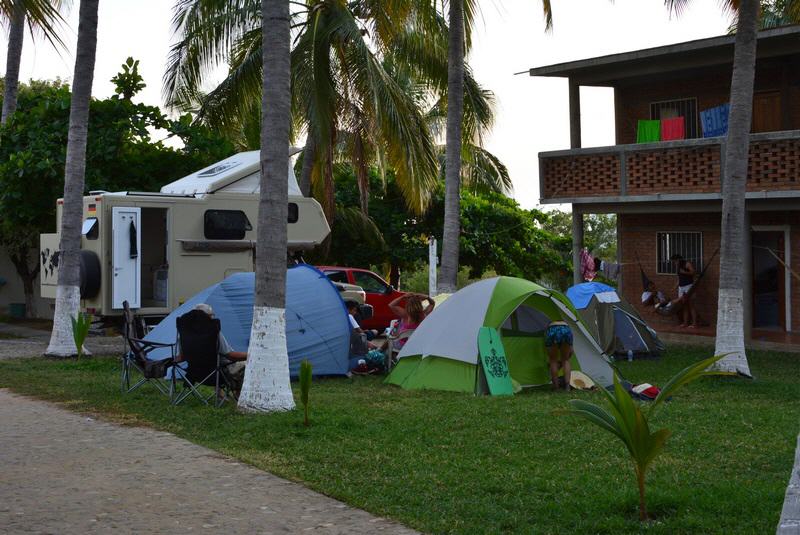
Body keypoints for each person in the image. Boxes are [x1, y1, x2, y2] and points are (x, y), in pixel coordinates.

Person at [177, 303, 248, 396]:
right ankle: (238, 395)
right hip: (216, 375)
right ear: (206, 317)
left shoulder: (184, 334)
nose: (213, 317)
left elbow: (182, 357)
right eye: (211, 315)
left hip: (194, 373)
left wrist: (169, 361)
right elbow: (231, 356)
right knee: (244, 365)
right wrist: (250, 355)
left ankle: (219, 394)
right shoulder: (213, 332)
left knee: (216, 361)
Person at [670, 253, 698, 328]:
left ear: (678, 259)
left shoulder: (687, 263)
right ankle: (685, 323)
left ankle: (694, 324)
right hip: (681, 287)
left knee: (691, 305)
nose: (674, 263)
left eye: (675, 261)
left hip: (689, 286)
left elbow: (694, 272)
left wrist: (685, 272)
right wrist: (674, 287)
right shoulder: (678, 267)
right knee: (684, 305)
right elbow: (679, 279)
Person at [545, 320, 573, 391]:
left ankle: (556, 386)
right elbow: (571, 351)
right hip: (565, 328)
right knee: (566, 360)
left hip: (552, 329)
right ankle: (567, 386)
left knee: (553, 360)